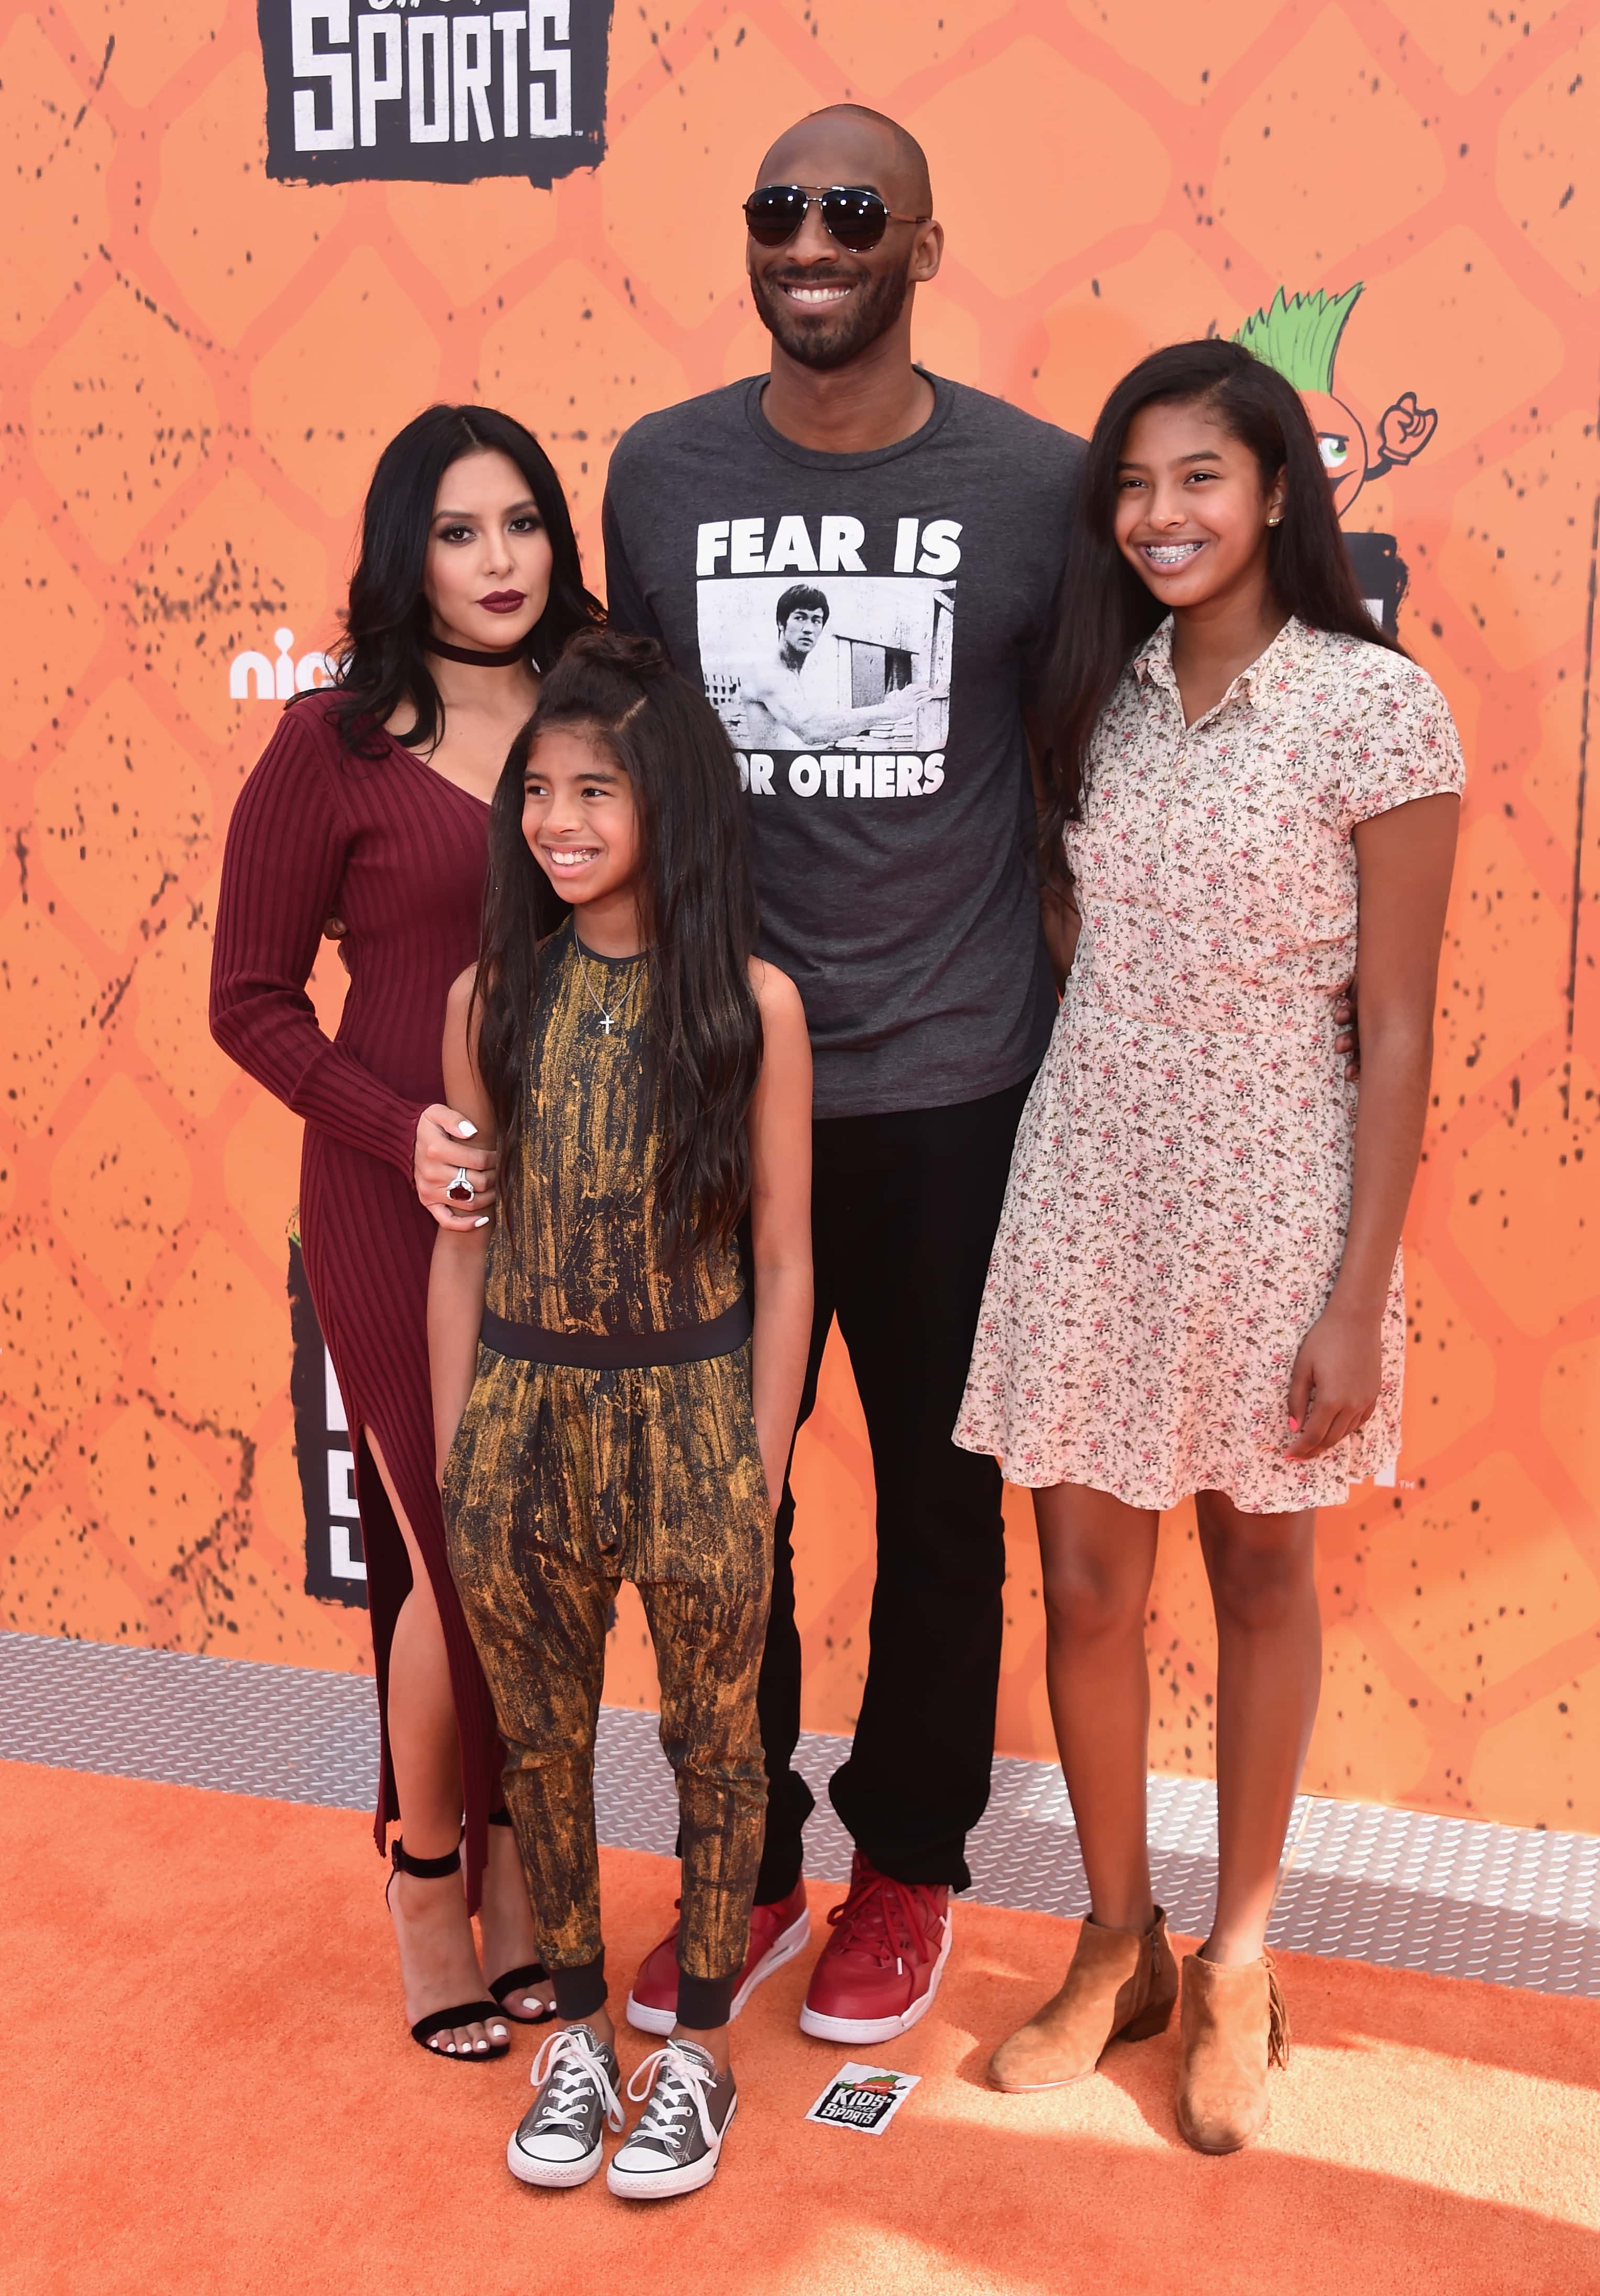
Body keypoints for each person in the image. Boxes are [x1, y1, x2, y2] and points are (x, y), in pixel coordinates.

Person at [602, 101, 1085, 2047]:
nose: (812, 240)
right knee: (722, 1503)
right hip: (717, 1077)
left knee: (941, 1507)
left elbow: (1082, 778)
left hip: (958, 1082)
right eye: (781, 209)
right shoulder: (656, 473)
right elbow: (606, 764)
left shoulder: (1038, 487)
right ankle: (746, 1850)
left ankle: (910, 1862)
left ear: (925, 249)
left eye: (853, 211)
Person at [955, 338, 1462, 2151]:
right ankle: (1118, 1944)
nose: (1162, 515)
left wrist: (1355, 1291)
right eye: (1136, 484)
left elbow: (1396, 1026)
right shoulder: (1091, 688)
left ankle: (1242, 1958)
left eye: (1200, 479)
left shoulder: (1376, 706)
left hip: (1278, 1212)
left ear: (1273, 495)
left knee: (1262, 1583)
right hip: (1093, 1186)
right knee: (1085, 1594)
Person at [211, 405, 604, 2058]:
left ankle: (520, 1864)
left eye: (521, 523)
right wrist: (401, 1129)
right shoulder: (335, 744)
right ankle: (430, 1882)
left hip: (577, 1204)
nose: (499, 560)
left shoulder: (609, 707)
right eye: (458, 532)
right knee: (459, 1553)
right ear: (404, 552)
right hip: (397, 1206)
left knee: (546, 1567)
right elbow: (247, 1000)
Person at [429, 631, 812, 2197]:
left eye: (597, 789)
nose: (560, 819)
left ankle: (699, 2051)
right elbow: (462, 1247)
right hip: (521, 1417)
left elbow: (786, 1256)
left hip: (695, 1419)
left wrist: (760, 1462)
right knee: (546, 1747)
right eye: (539, 789)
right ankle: (578, 2032)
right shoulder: (489, 994)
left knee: (719, 1741)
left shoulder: (751, 1008)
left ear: (673, 802)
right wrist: (465, 1452)